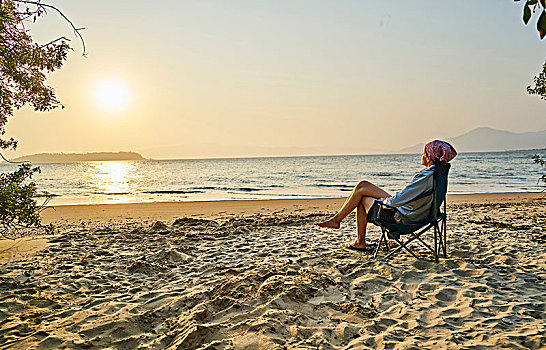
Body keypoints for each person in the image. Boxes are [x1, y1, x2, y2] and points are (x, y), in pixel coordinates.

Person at [317, 140, 457, 252]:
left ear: (430, 156)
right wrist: (389, 200)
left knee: (361, 196)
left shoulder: (427, 176)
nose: (422, 155)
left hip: (403, 218)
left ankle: (354, 237)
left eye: (424, 152)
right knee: (362, 186)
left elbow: (401, 198)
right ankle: (340, 223)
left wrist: (386, 202)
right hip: (422, 215)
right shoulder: (439, 175)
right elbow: (407, 197)